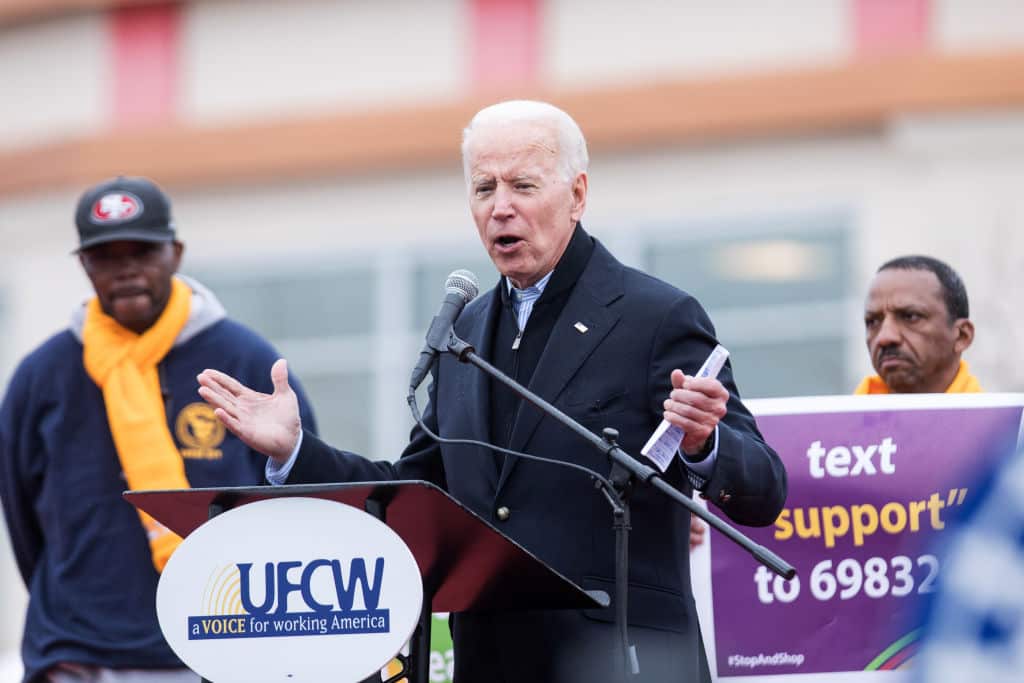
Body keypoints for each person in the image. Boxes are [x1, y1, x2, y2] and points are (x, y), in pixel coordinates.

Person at [197, 101, 786, 682]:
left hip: (620, 656)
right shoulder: (463, 335)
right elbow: (415, 489)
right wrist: (295, 451)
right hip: (492, 658)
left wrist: (704, 444)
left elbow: (763, 488)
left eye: (523, 186)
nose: (501, 208)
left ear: (577, 194)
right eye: (484, 189)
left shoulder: (655, 315)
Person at [0, 176, 318, 683]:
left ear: (175, 252)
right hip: (76, 654)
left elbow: (299, 495)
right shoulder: (42, 377)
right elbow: (22, 523)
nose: (126, 269)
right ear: (84, 263)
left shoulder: (243, 358)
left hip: (217, 646)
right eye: (105, 256)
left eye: (142, 251)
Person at [857, 255, 980, 394]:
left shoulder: (997, 415)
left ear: (961, 336)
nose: (885, 337)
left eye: (910, 317)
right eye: (872, 322)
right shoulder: (844, 415)